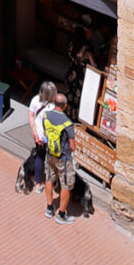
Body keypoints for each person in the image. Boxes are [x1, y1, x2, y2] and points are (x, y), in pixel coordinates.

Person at [35, 82, 78, 219]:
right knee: (65, 185)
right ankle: (61, 214)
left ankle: (49, 208)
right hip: (63, 158)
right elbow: (73, 146)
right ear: (65, 106)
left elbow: (47, 133)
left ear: (54, 102)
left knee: (49, 179)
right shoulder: (68, 123)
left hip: (50, 154)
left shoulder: (46, 116)